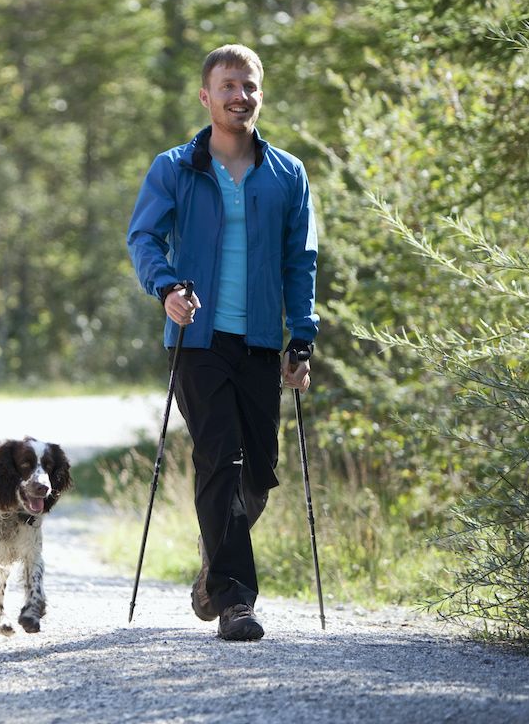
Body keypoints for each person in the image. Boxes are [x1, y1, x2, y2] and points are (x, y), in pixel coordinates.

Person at [125, 44, 318, 641]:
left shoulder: (287, 173)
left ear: (261, 94)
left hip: (259, 340)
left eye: (249, 85)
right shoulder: (175, 168)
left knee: (258, 472)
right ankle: (236, 601)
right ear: (206, 96)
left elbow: (301, 260)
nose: (240, 96)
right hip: (197, 340)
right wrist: (166, 288)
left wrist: (302, 336)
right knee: (220, 458)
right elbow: (144, 238)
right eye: (228, 86)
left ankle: (214, 562)